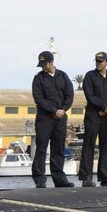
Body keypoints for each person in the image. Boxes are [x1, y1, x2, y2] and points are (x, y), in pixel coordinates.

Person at [30, 50, 75, 188]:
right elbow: (39, 99)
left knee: (58, 148)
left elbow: (70, 94)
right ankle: (39, 179)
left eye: (44, 64)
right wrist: (54, 110)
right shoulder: (38, 79)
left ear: (51, 62)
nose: (43, 67)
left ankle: (59, 179)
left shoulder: (63, 76)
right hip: (45, 118)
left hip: (60, 118)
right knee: (42, 148)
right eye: (41, 64)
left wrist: (63, 109)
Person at [78, 51, 107, 186]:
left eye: (101, 61)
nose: (98, 63)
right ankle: (86, 178)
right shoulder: (90, 76)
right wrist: (104, 107)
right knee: (89, 145)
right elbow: (90, 95)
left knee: (106, 146)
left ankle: (105, 177)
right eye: (97, 61)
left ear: (106, 62)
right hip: (93, 115)